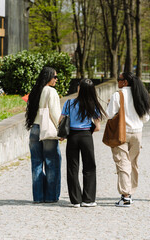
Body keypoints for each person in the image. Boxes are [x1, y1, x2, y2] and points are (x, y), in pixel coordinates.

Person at [59, 78, 106, 208]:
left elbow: (61, 121)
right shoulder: (93, 104)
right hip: (86, 136)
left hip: (72, 136)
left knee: (72, 168)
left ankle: (75, 200)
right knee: (89, 167)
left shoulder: (69, 103)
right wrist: (87, 132)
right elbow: (97, 127)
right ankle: (88, 199)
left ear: (79, 88)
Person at [106, 72, 150, 207]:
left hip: (122, 133)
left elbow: (109, 115)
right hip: (138, 133)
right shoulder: (141, 95)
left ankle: (126, 196)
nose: (117, 82)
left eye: (119, 80)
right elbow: (146, 118)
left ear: (125, 82)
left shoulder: (118, 95)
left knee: (122, 163)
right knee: (132, 163)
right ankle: (130, 192)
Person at [25, 66, 62, 203]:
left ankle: (38, 196)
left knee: (36, 163)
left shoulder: (36, 91)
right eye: (55, 77)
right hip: (47, 130)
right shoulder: (50, 91)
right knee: (52, 163)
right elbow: (55, 113)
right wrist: (61, 131)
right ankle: (51, 196)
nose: (56, 80)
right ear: (48, 77)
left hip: (35, 129)